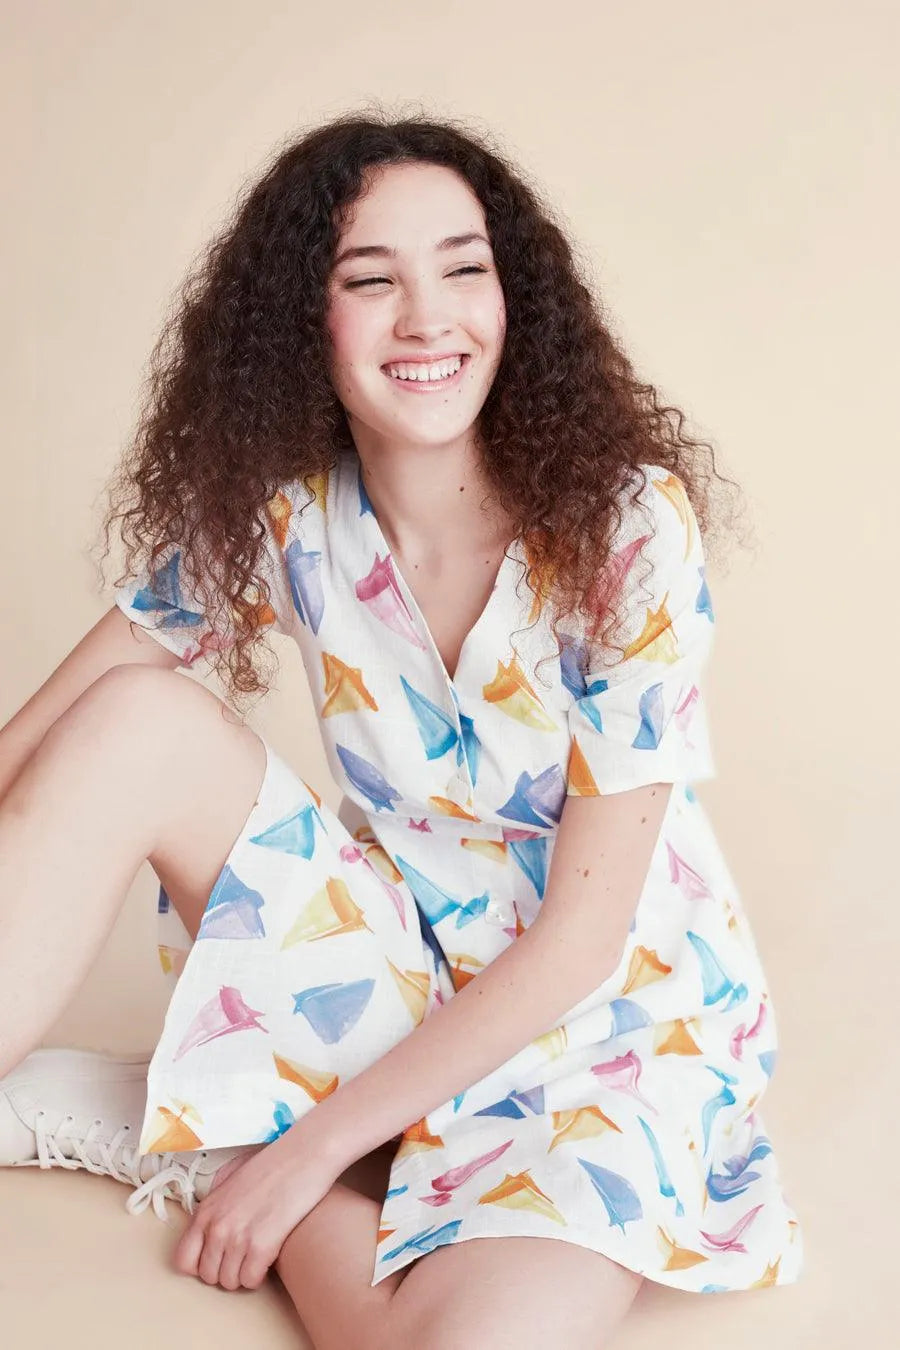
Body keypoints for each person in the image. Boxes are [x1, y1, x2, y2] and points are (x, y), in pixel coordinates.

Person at [0, 111, 803, 1347]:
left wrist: (300, 1158)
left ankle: (227, 1136)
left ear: (513, 299)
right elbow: (44, 741)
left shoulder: (629, 528)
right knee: (131, 721)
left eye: (462, 269)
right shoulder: (287, 511)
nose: (428, 319)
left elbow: (583, 942)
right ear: (300, 320)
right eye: (371, 280)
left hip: (605, 1029)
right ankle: (263, 1121)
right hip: (388, 973)